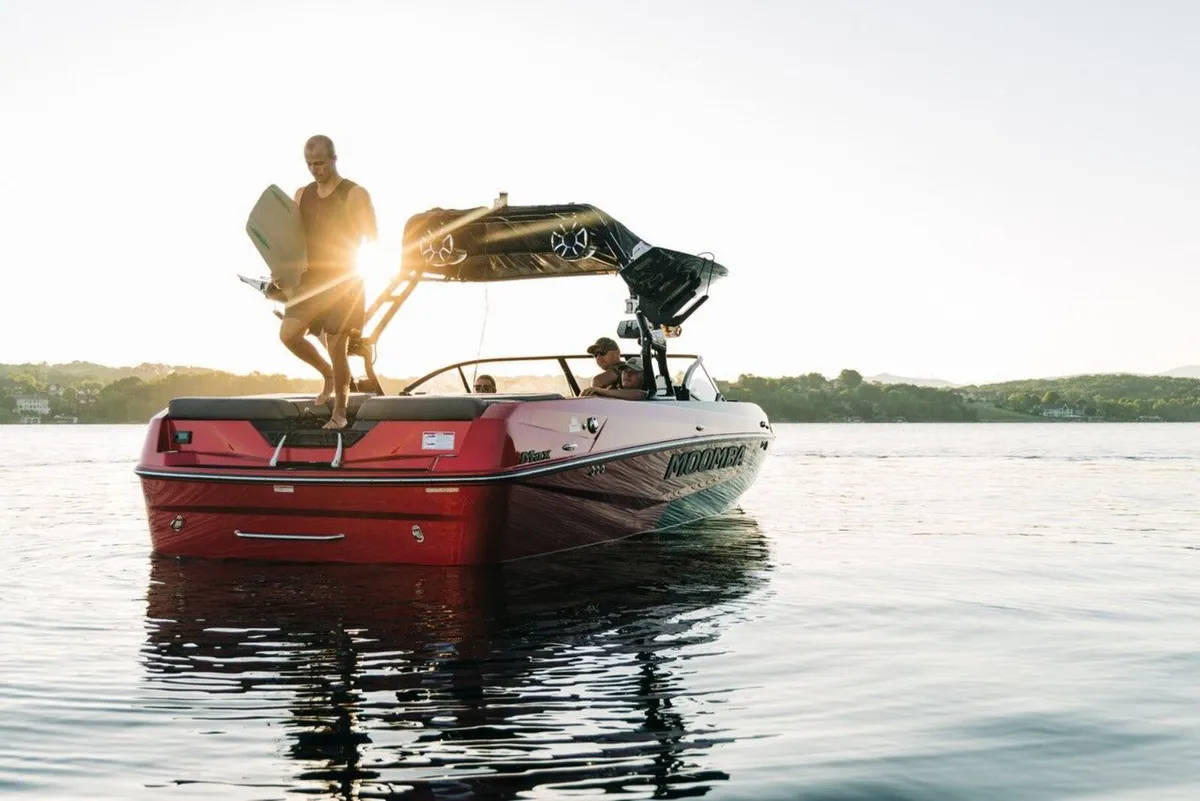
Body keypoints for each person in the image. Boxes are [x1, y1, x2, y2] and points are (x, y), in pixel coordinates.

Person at [279, 134, 378, 429]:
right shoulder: (302, 194)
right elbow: (292, 239)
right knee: (288, 335)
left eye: (319, 163)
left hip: (343, 280)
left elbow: (372, 237)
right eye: (309, 164)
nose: (314, 169)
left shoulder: (355, 193)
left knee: (337, 345)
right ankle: (327, 373)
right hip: (310, 281)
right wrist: (283, 272)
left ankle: (340, 413)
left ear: (334, 159)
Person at [579, 356, 649, 400]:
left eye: (633, 372)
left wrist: (602, 391)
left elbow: (642, 395)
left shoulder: (648, 394)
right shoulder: (614, 392)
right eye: (625, 371)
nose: (627, 374)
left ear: (644, 376)